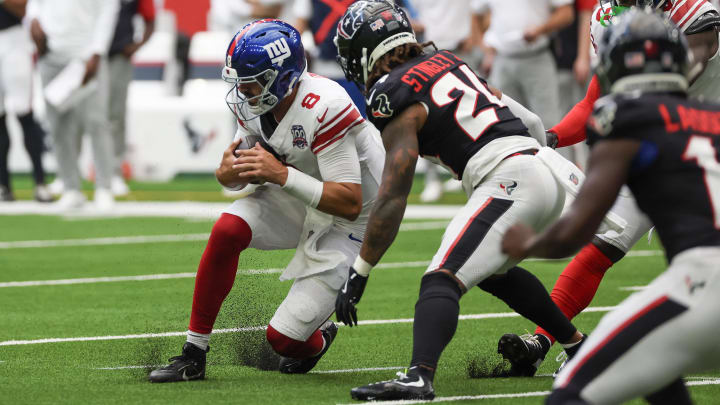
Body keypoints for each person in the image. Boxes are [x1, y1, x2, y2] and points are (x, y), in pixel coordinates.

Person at [333, 1, 586, 400]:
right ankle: (577, 347)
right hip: (542, 170)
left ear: (366, 50)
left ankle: (419, 377)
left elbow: (394, 191)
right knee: (493, 271)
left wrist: (360, 270)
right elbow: (534, 123)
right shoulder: (449, 61)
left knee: (441, 277)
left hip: (507, 178)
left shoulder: (390, 93)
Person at [148, 19, 385, 383]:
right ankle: (193, 354)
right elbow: (240, 172)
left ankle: (316, 341)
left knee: (283, 341)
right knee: (228, 229)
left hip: (353, 220)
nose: (243, 91)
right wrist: (227, 173)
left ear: (285, 77)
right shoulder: (254, 103)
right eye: (240, 82)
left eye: (252, 82)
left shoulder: (326, 105)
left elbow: (349, 202)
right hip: (301, 190)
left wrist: (280, 175)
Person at [502, 9, 720, 404]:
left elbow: (575, 227)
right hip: (687, 150)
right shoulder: (614, 24)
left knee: (572, 391)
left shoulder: (631, 116)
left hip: (701, 285)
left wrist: (529, 243)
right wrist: (551, 137)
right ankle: (542, 338)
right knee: (607, 245)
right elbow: (592, 100)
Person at [27, 0, 120, 210]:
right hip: (50, 53)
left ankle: (104, 187)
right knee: (58, 126)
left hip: (85, 55)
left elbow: (108, 11)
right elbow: (35, 3)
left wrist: (97, 51)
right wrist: (33, 19)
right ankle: (71, 188)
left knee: (96, 122)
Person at [0, 0, 51, 202]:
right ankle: (3, 184)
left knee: (24, 113)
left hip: (15, 40)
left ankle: (40, 183)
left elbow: (24, 8)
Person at [107, 0, 156, 196]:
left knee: (115, 115)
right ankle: (69, 173)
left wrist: (137, 45)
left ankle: (114, 172)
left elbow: (151, 19)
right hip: (84, 53)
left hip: (118, 54)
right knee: (79, 114)